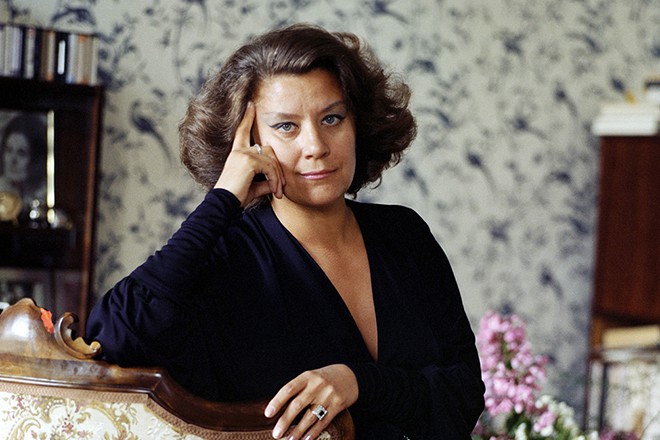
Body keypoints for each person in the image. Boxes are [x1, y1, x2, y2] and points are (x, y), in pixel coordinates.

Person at [86, 23, 485, 439]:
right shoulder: (224, 260)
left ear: (357, 124)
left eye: (332, 118)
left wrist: (358, 382)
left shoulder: (405, 236)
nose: (316, 146)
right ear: (248, 141)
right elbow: (110, 341)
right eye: (286, 127)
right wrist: (223, 198)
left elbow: (463, 398)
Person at [0, 113, 48, 210]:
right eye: (9, 150)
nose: (12, 160)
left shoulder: (43, 192)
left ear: (35, 158)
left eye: (21, 153)